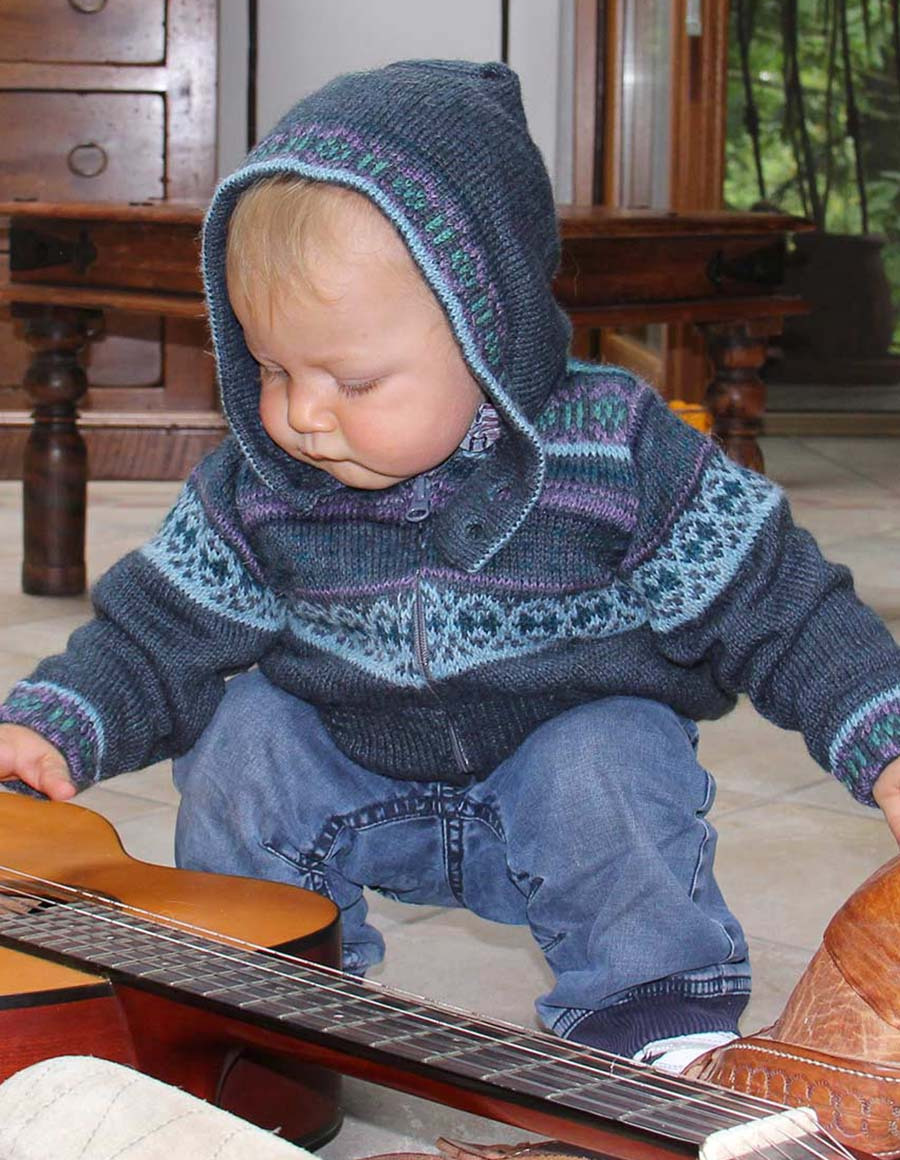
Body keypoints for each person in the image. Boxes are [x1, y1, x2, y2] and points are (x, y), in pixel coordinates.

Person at [2, 60, 900, 1076]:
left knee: (609, 751)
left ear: (489, 335)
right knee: (242, 732)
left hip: (568, 799)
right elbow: (155, 634)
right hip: (352, 774)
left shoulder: (618, 452)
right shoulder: (260, 487)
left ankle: (652, 1016)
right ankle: (275, 977)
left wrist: (886, 740)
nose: (305, 413)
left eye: (352, 380)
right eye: (274, 369)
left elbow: (782, 605)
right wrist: (52, 725)